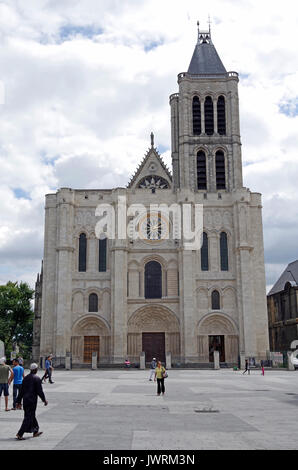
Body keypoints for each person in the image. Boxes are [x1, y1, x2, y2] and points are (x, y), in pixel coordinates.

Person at [16, 363, 48, 440]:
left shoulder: (26, 378)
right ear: (36, 370)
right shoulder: (37, 378)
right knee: (28, 417)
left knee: (31, 415)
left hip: (26, 400)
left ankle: (35, 431)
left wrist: (19, 401)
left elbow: (21, 391)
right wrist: (44, 400)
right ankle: (20, 434)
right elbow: (39, 391)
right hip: (32, 401)